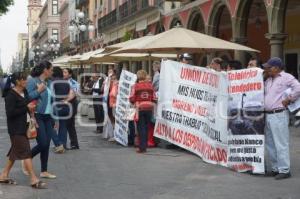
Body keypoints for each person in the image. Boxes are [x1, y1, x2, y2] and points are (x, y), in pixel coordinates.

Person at [0, 72, 47, 189]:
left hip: (24, 126)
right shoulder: (10, 95)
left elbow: (27, 104)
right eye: (24, 79)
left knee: (14, 153)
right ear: (18, 81)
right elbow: (10, 113)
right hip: (16, 129)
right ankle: (33, 179)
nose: (26, 81)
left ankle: (3, 175)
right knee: (26, 152)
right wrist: (26, 107)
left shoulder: (24, 92)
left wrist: (32, 113)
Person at [264, 57, 300, 180]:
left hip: (279, 114)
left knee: (280, 143)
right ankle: (275, 168)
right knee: (270, 144)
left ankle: (284, 170)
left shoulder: (286, 77)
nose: (267, 69)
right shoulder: (268, 79)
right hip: (268, 115)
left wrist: (289, 99)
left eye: (269, 67)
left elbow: (298, 87)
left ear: (276, 68)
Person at [26, 60, 56, 179]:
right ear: (45, 70)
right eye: (51, 69)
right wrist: (38, 91)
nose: (52, 71)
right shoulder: (33, 81)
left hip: (48, 116)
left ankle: (44, 171)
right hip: (37, 115)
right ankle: (27, 158)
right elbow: (27, 97)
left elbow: (51, 101)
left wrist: (54, 118)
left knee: (47, 144)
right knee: (42, 143)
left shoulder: (48, 82)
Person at [130, 70, 156, 153]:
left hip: (139, 108)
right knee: (146, 128)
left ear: (138, 76)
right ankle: (145, 145)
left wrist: (134, 102)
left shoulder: (135, 86)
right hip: (149, 108)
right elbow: (154, 98)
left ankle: (142, 148)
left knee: (140, 129)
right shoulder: (150, 86)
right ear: (145, 76)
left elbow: (132, 98)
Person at [63, 68, 79, 150]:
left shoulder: (73, 82)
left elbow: (73, 94)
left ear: (70, 74)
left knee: (68, 124)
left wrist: (65, 100)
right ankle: (73, 144)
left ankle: (71, 144)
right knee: (69, 125)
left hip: (71, 104)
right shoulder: (63, 81)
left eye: (65, 72)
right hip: (66, 104)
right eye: (63, 72)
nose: (63, 73)